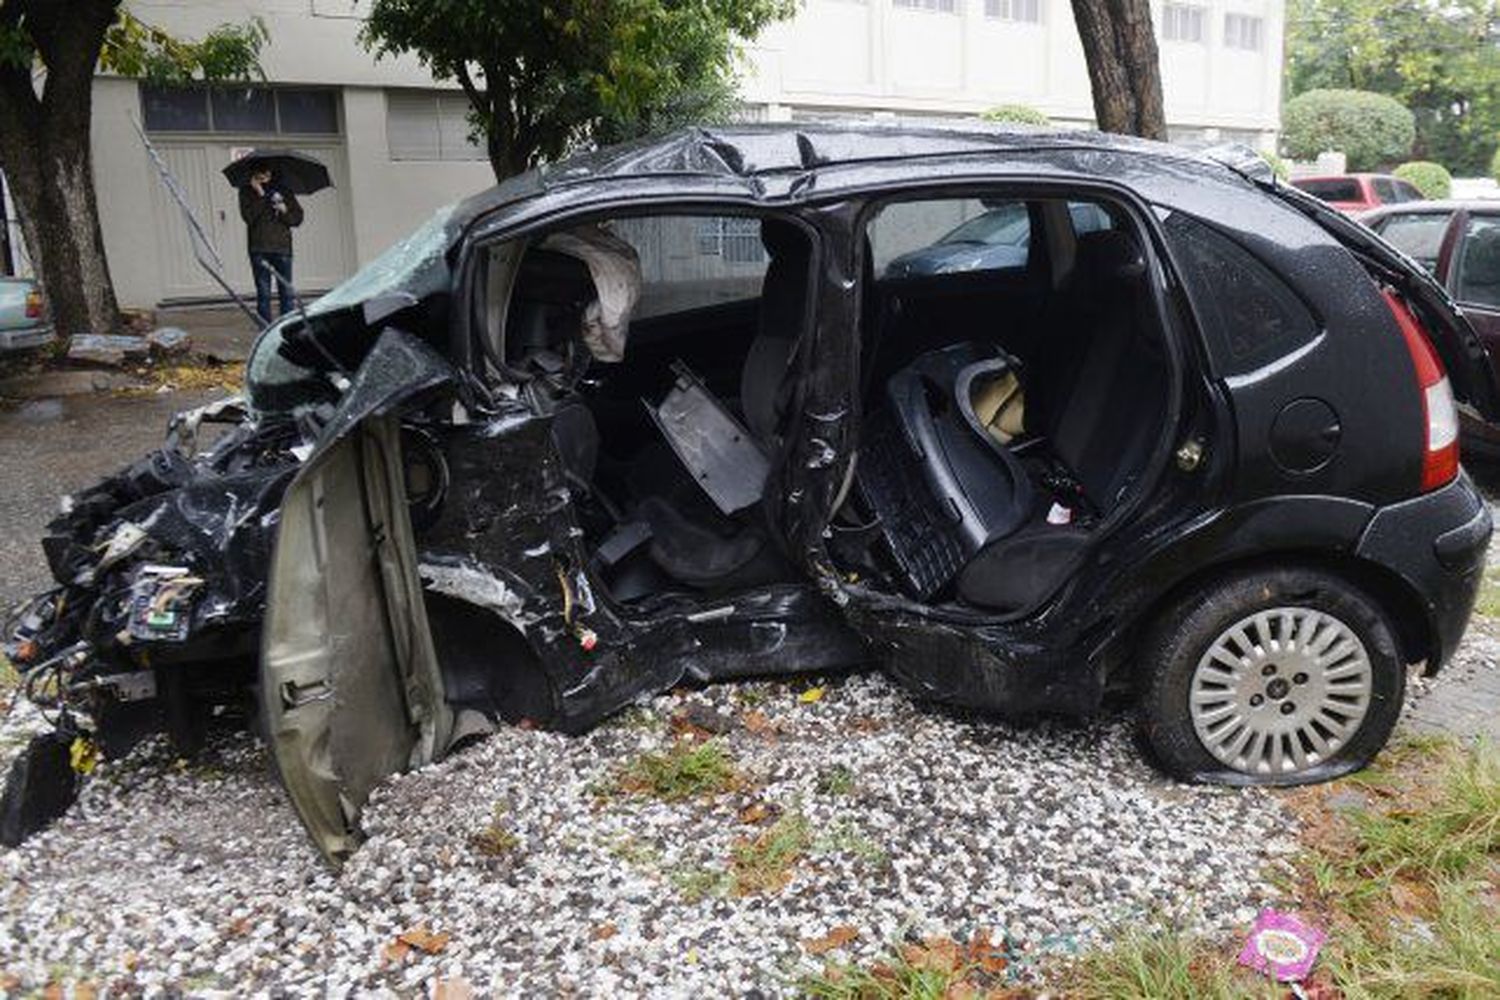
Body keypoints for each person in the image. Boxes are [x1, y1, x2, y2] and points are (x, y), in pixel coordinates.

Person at [239, 167, 304, 324]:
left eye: (267, 172)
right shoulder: (246, 191)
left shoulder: (284, 191)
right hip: (259, 249)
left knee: (286, 293)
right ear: (254, 173)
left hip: (282, 249)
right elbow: (249, 218)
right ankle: (265, 329)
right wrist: (260, 194)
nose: (264, 176)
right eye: (260, 172)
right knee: (264, 294)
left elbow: (297, 219)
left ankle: (285, 327)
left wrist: (284, 210)